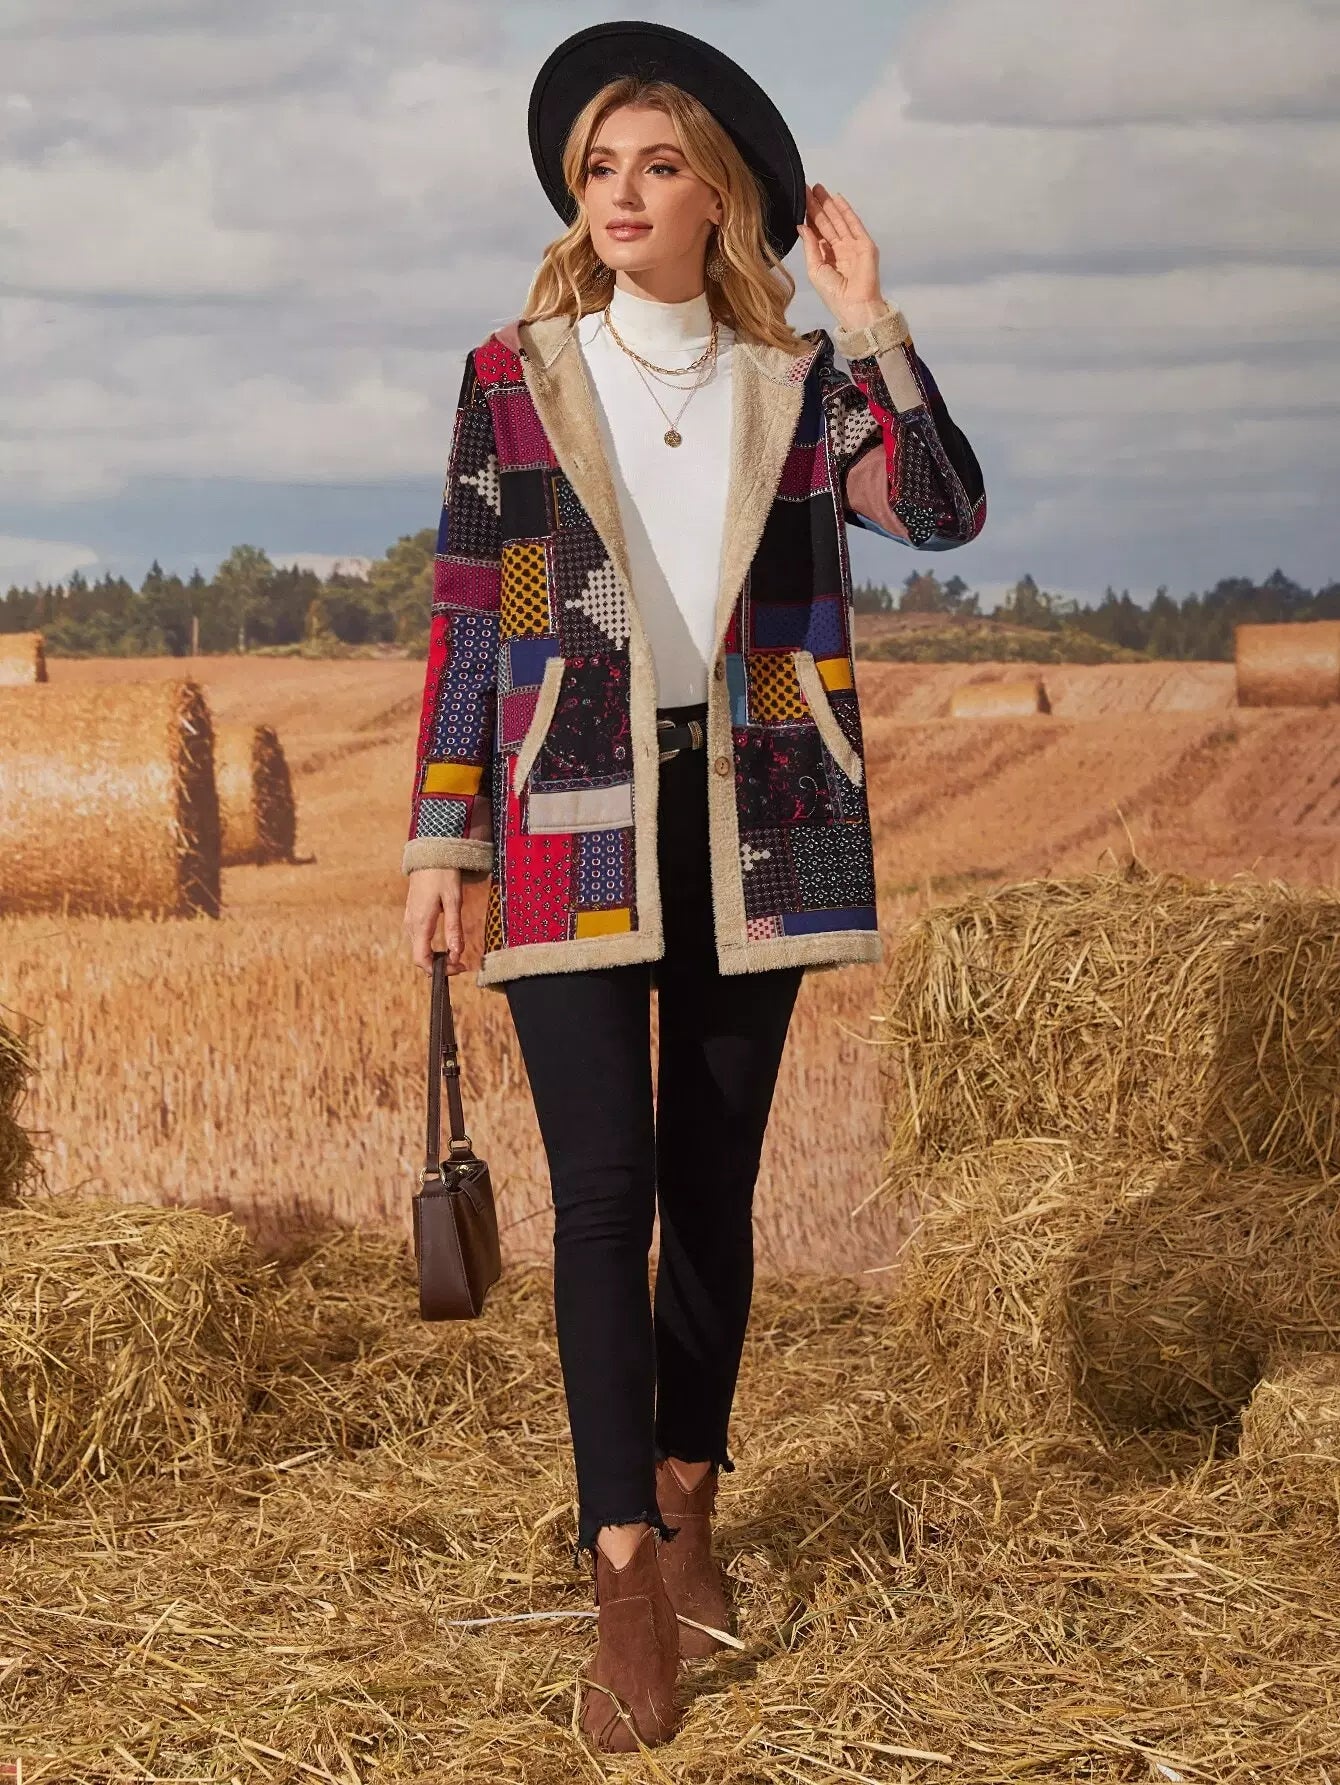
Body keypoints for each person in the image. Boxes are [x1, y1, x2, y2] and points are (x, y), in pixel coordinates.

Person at [401, 20, 985, 1752]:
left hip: (765, 811)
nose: (624, 194)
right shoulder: (513, 375)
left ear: (718, 195)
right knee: (604, 1197)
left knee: (714, 1183)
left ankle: (690, 1493)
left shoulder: (798, 383)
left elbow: (944, 511)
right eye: (601, 168)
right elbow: (466, 618)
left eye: (659, 166)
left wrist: (872, 319)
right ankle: (625, 1581)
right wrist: (442, 840)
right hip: (567, 812)